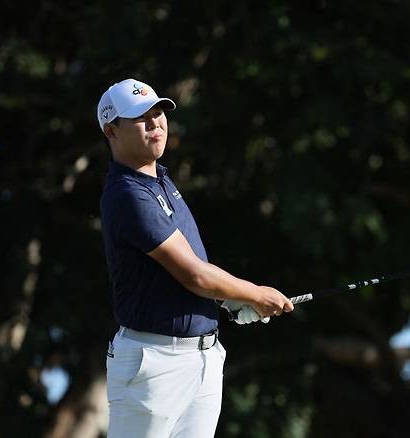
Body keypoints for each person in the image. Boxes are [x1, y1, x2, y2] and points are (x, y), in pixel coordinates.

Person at [97, 78, 294, 438]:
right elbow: (195, 276)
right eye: (141, 117)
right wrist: (254, 293)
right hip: (152, 364)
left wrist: (230, 296)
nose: (155, 122)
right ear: (112, 131)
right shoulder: (126, 195)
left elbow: (197, 266)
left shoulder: (162, 183)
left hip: (201, 359)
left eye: (158, 113)